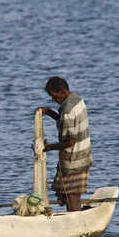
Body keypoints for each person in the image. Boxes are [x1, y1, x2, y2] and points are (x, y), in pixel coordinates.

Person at [40, 76, 92, 212]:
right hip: (84, 153)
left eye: (54, 96)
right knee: (74, 192)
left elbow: (70, 141)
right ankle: (77, 215)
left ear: (62, 92)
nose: (53, 100)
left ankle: (75, 219)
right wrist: (50, 112)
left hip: (73, 159)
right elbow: (67, 123)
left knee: (70, 194)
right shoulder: (77, 100)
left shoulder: (68, 110)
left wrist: (47, 147)